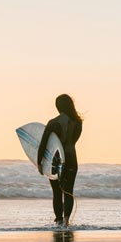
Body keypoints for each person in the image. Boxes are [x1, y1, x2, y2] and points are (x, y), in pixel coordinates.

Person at [37, 94, 83, 227]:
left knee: (57, 192)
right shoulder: (78, 122)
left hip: (55, 160)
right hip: (71, 158)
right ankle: (67, 221)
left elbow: (44, 143)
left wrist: (40, 162)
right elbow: (74, 140)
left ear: (58, 106)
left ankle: (59, 220)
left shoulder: (54, 122)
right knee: (68, 191)